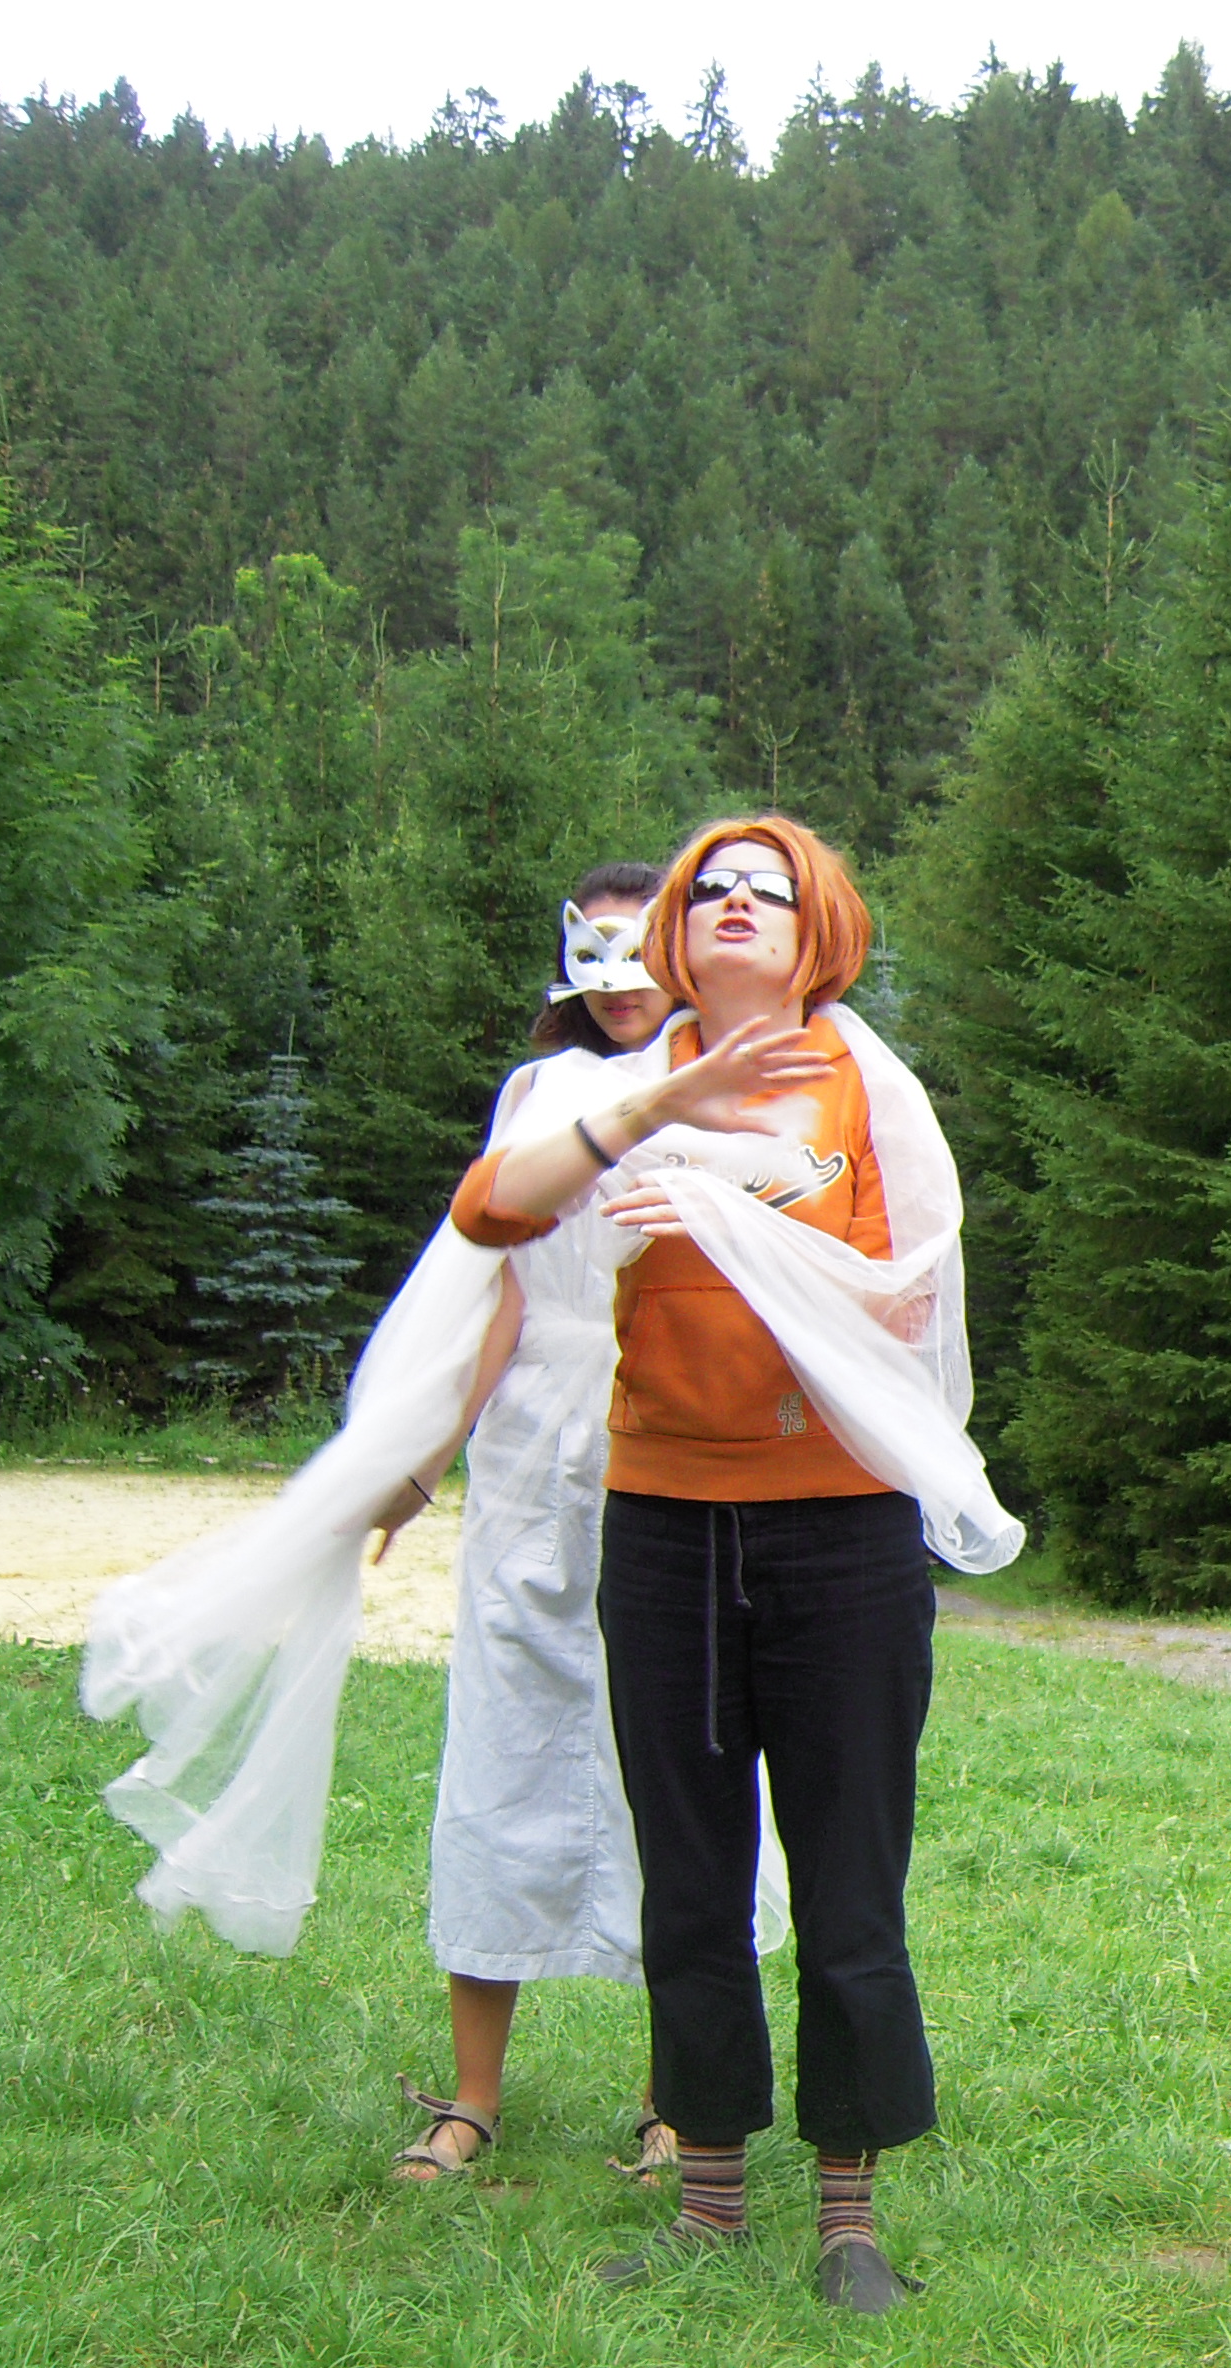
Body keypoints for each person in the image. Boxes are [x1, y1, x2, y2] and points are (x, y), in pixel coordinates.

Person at [445, 816, 1019, 2314]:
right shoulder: (625, 1090)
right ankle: (706, 2203)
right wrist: (663, 1112)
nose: (738, 903)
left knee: (847, 1883)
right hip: (664, 1529)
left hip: (839, 1532)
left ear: (818, 923)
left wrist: (728, 1210)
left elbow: (907, 1304)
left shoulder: (868, 1088)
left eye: (771, 887)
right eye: (711, 889)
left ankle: (849, 2217)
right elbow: (490, 1212)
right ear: (675, 935)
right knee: (690, 1881)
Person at [376, 872, 782, 2186]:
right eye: (592, 957)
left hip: (673, 1448)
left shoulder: (735, 1089)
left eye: (637, 951)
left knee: (675, 1764)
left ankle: (677, 2097)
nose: (616, 984)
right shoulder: (540, 1096)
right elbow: (495, 1291)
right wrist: (417, 1464)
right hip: (530, 1464)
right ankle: (472, 2098)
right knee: (502, 1748)